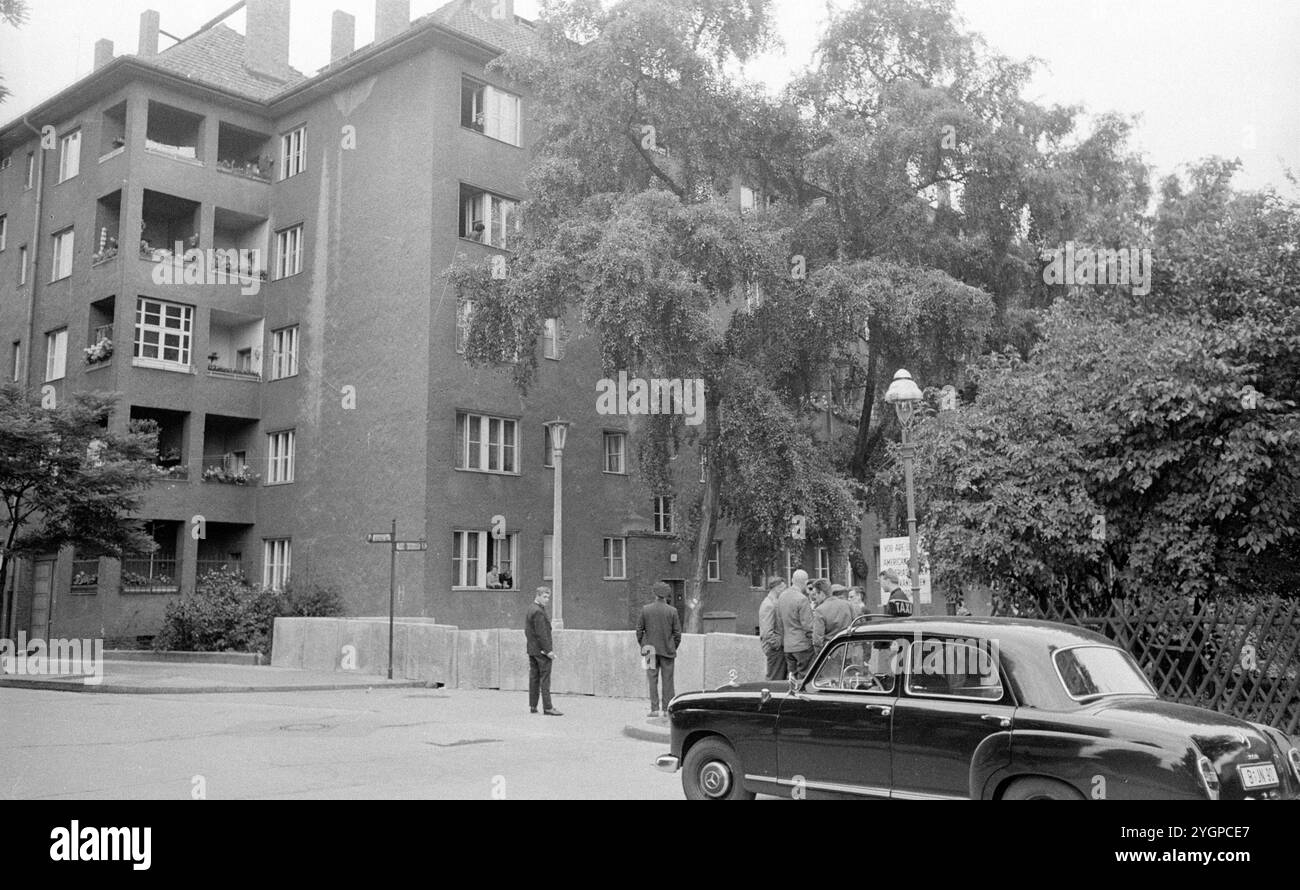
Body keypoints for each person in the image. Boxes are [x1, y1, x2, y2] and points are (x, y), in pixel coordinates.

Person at [636, 582, 683, 717]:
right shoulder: (672, 611)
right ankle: (667, 710)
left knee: (652, 680)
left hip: (649, 651)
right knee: (668, 681)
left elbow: (639, 630)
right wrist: (672, 646)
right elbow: (677, 634)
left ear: (655, 594)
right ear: (666, 595)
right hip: (667, 650)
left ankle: (654, 709)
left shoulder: (646, 609)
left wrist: (644, 645)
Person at [525, 587, 562, 715]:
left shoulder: (531, 609)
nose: (547, 600)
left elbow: (529, 632)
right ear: (538, 596)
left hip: (532, 650)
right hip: (541, 651)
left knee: (534, 678)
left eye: (548, 597)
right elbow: (542, 634)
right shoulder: (539, 612)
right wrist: (548, 651)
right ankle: (548, 707)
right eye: (545, 597)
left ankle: (533, 706)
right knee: (545, 679)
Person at [778, 569, 816, 679]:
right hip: (802, 645)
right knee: (804, 677)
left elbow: (779, 622)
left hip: (788, 646)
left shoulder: (782, 596)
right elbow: (808, 626)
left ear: (792, 580)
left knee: (792, 677)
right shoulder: (802, 599)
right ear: (805, 582)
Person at [757, 577, 787, 681]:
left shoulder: (773, 602)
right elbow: (767, 632)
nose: (785, 591)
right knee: (774, 680)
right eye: (783, 588)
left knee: (777, 679)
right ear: (777, 588)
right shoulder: (769, 605)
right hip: (775, 651)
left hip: (776, 649)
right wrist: (777, 645)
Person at [813, 579, 855, 649]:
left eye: (816, 594)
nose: (815, 597)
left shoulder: (819, 610)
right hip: (848, 649)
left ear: (822, 593)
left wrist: (820, 654)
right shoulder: (847, 605)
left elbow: (817, 640)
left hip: (831, 651)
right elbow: (856, 625)